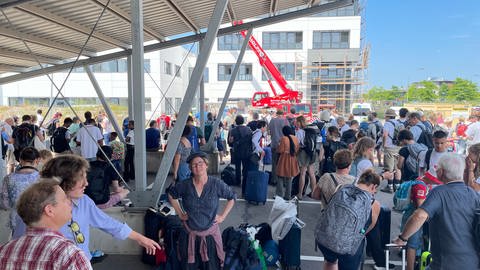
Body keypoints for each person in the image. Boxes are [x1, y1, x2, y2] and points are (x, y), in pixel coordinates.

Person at [40, 154, 160, 261]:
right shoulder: (40, 209)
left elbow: (108, 223)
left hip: (82, 262)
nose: (86, 184)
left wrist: (140, 238)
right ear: (63, 182)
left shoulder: (84, 202)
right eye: (81, 179)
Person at [394, 153, 480, 269]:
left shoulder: (439, 192)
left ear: (441, 172)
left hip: (446, 262)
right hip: (472, 261)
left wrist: (402, 238)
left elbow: (419, 216)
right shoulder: (473, 194)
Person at [0, 179, 92, 270]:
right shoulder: (70, 256)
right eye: (64, 199)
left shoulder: (4, 251)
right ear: (49, 210)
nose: (70, 202)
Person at [168, 151, 236, 270]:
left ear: (206, 165)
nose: (197, 167)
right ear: (190, 168)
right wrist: (180, 213)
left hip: (209, 237)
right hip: (189, 235)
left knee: (211, 267)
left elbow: (232, 197)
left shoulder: (216, 184)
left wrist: (222, 217)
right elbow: (171, 194)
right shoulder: (185, 185)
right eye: (194, 165)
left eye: (200, 163)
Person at [317, 169, 381, 270]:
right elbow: (369, 227)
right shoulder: (374, 204)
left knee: (330, 262)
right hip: (349, 248)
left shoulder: (341, 188)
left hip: (326, 239)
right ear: (374, 186)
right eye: (375, 191)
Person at [0, 147, 40, 239]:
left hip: (16, 220)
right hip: (37, 220)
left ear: (20, 160)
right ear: (37, 160)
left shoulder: (9, 178)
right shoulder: (41, 178)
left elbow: (4, 204)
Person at [228, 115, 252, 196]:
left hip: (237, 151)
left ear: (236, 121)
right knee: (245, 168)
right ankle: (244, 182)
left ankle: (238, 181)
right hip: (247, 152)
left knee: (237, 166)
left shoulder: (233, 130)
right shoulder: (248, 130)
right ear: (243, 121)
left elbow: (230, 141)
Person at [276, 126, 300, 199]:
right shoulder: (295, 138)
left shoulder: (284, 139)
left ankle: (279, 194)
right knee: (289, 177)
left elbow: (280, 150)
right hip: (293, 158)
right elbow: (298, 149)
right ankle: (288, 195)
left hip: (284, 158)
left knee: (280, 176)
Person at [295, 116, 316, 199]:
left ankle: (300, 193)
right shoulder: (310, 130)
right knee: (311, 173)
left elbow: (297, 143)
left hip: (303, 153)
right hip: (311, 153)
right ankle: (314, 192)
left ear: (300, 122)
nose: (296, 123)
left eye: (297, 122)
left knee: (302, 173)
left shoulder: (299, 132)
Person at [382, 109, 402, 193]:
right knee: (397, 167)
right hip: (398, 147)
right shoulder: (399, 123)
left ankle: (390, 187)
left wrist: (383, 144)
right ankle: (397, 186)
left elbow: (385, 135)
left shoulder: (387, 123)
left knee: (389, 167)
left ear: (387, 116)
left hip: (389, 147)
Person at [268, 109, 289, 189]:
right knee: (283, 163)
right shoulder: (285, 121)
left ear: (276, 114)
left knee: (274, 163)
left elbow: (269, 131)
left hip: (274, 144)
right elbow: (289, 131)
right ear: (283, 114)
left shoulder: (272, 120)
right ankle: (283, 181)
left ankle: (274, 180)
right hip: (284, 145)